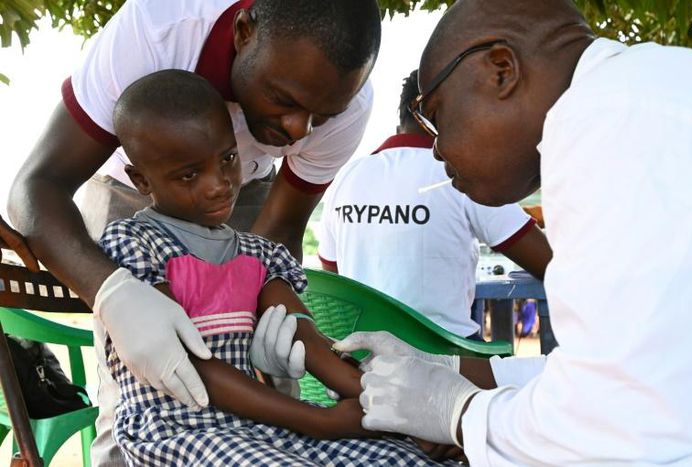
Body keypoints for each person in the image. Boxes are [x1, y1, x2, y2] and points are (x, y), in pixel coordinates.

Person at [4, 0, 380, 464]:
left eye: (320, 116)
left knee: (276, 384)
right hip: (127, 191)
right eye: (285, 100)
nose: (299, 129)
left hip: (249, 185)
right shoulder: (156, 30)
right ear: (244, 33)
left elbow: (278, 235)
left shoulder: (344, 99)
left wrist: (378, 398)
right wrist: (113, 293)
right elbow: (36, 186)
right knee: (128, 388)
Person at [328, 0, 692, 464]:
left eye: (438, 118)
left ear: (500, 70)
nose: (438, 152)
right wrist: (445, 370)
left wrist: (459, 412)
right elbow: (629, 375)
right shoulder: (643, 92)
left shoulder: (600, 125)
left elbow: (620, 432)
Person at [100, 69, 457, 466]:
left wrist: (395, 408)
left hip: (258, 424)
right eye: (189, 174)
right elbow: (186, 363)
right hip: (177, 428)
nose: (219, 184)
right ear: (140, 180)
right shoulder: (133, 245)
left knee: (404, 458)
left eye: (228, 159)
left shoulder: (258, 254)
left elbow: (309, 340)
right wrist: (318, 420)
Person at [317, 70, 551, 338]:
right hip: (447, 355)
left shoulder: (348, 176)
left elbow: (335, 281)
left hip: (361, 361)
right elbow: (548, 262)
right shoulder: (464, 172)